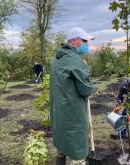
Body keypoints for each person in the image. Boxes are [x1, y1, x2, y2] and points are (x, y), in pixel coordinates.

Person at [50, 27, 95, 164]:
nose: (87, 44)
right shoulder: (75, 61)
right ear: (75, 41)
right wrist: (91, 84)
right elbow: (86, 90)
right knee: (76, 152)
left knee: (62, 145)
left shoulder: (56, 60)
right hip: (73, 114)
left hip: (59, 113)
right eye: (85, 41)